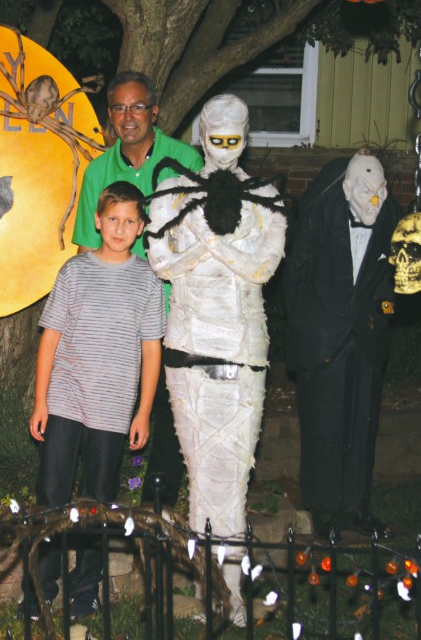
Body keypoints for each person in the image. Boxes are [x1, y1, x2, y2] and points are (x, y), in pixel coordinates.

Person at [146, 94, 286, 625]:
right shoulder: (171, 190)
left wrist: (203, 241)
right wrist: (218, 246)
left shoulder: (266, 197)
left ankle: (230, 583)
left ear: (246, 137)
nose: (224, 150)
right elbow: (161, 263)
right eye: (216, 139)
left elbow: (262, 271)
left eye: (235, 140)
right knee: (202, 469)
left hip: (244, 347)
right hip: (188, 345)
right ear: (203, 135)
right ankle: (213, 590)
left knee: (235, 472)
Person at [26, 182, 165, 619]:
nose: (120, 228)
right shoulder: (74, 272)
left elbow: (151, 349)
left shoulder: (147, 279)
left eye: (129, 221)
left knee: (97, 501)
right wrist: (40, 400)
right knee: (51, 495)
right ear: (98, 221)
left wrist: (142, 411)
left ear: (141, 227)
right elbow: (51, 338)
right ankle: (40, 586)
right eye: (112, 219)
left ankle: (85, 588)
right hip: (66, 398)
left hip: (113, 407)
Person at [71, 71, 203, 509]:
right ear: (110, 115)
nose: (129, 117)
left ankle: (157, 509)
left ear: (154, 112)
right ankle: (98, 503)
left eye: (138, 107)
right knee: (106, 409)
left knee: (168, 411)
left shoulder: (187, 161)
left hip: (175, 311)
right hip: (112, 318)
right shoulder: (97, 171)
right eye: (120, 108)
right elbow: (85, 252)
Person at [283, 149, 401, 539]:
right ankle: (323, 509)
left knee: (361, 427)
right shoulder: (319, 216)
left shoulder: (391, 221)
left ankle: (355, 508)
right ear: (348, 187)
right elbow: (295, 275)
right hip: (323, 338)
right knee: (323, 425)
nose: (373, 199)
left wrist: (385, 307)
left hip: (365, 336)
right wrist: (304, 328)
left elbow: (392, 281)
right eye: (366, 190)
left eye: (380, 191)